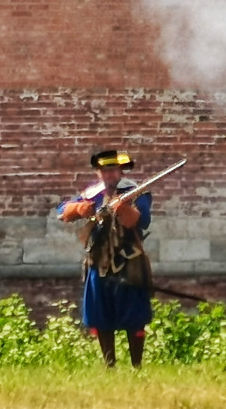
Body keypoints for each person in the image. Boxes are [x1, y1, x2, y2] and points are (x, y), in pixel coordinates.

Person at [57, 149, 154, 368]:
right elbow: (62, 210)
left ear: (120, 171)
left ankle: (136, 366)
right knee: (100, 317)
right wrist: (80, 208)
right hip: (98, 261)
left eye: (113, 170)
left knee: (135, 317)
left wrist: (123, 209)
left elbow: (143, 221)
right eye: (105, 171)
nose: (109, 175)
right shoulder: (93, 193)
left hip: (129, 261)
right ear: (99, 173)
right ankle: (109, 365)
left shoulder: (137, 191)